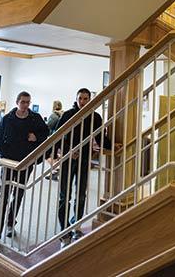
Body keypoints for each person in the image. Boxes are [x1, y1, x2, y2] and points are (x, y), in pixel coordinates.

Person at [54, 88, 121, 246]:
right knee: (65, 196)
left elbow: (100, 137)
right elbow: (57, 136)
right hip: (67, 158)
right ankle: (64, 232)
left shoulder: (95, 117)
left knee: (81, 195)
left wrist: (112, 146)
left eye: (85, 99)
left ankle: (76, 226)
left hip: (84, 159)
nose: (82, 102)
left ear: (90, 100)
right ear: (76, 99)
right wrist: (65, 152)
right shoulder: (68, 115)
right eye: (80, 98)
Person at [0, 91, 49, 245]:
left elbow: (45, 134)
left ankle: (10, 223)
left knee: (18, 195)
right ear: (17, 102)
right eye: (22, 102)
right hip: (9, 163)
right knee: (4, 196)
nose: (25, 105)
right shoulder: (8, 119)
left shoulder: (35, 118)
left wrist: (36, 137)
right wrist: (4, 155)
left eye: (28, 102)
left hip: (26, 163)